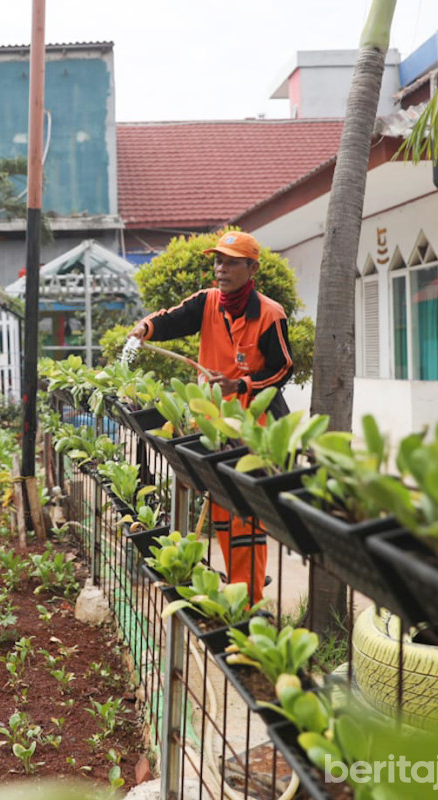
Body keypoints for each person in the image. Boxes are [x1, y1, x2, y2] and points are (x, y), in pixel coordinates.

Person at [128, 230, 293, 602]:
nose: (221, 269)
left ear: (252, 268)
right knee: (219, 506)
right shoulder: (207, 302)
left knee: (247, 515)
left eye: (231, 262)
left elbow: (283, 370)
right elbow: (170, 319)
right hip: (210, 426)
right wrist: (146, 327)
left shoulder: (270, 314)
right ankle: (235, 590)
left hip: (253, 428)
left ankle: (248, 600)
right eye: (218, 261)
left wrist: (242, 386)